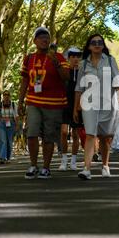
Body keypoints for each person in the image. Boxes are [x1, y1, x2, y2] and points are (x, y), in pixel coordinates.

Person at [18, 27, 70, 179]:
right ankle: (33, 165)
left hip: (54, 104)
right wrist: (20, 102)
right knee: (31, 133)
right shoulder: (29, 58)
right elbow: (25, 80)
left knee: (49, 136)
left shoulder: (59, 57)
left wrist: (57, 64)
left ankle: (46, 168)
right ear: (34, 41)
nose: (44, 39)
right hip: (33, 101)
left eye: (46, 37)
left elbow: (66, 77)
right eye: (40, 37)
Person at [74, 34, 119, 180]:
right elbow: (79, 87)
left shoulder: (110, 60)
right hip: (89, 103)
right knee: (90, 134)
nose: (97, 44)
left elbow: (118, 82)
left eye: (100, 42)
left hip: (108, 104)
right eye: (93, 42)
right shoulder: (83, 64)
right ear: (89, 46)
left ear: (103, 45)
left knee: (105, 137)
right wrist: (76, 107)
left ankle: (105, 165)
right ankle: (86, 169)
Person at [59, 47, 84, 171]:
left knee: (75, 134)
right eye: (73, 57)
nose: (75, 59)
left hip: (78, 106)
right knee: (63, 132)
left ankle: (73, 160)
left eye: (78, 57)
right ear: (68, 58)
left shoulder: (82, 73)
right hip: (64, 105)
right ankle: (64, 159)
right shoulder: (65, 72)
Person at [0, 90, 19, 164]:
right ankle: (2, 157)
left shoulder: (14, 105)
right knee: (3, 140)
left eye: (8, 95)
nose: (6, 96)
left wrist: (17, 125)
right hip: (2, 124)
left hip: (11, 123)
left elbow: (16, 116)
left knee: (9, 141)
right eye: (5, 95)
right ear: (3, 96)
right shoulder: (0, 105)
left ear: (10, 96)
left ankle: (8, 157)